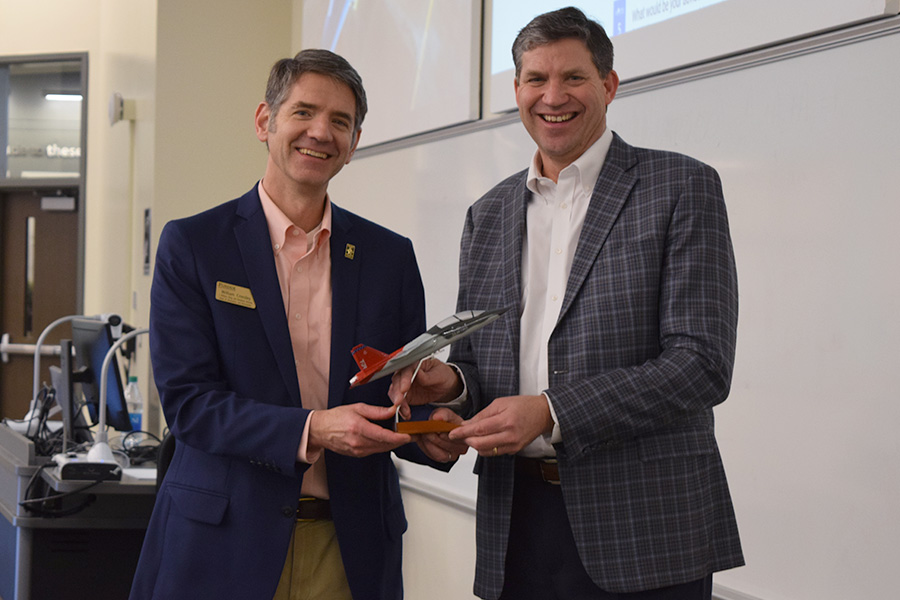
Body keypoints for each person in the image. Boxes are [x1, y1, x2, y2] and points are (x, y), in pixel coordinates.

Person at [390, 7, 743, 600]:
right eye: (536, 79)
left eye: (573, 78)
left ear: (608, 85)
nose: (553, 96)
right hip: (516, 527)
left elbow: (701, 363)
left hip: (646, 533)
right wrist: (448, 388)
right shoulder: (488, 214)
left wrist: (553, 412)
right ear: (517, 90)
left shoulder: (682, 187)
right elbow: (483, 367)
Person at [130, 49, 453, 600]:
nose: (321, 132)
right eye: (304, 112)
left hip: (349, 548)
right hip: (223, 545)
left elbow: (398, 396)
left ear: (352, 146)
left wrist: (429, 431)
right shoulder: (195, 247)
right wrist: (313, 429)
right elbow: (188, 405)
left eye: (341, 122)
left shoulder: (388, 258)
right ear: (265, 122)